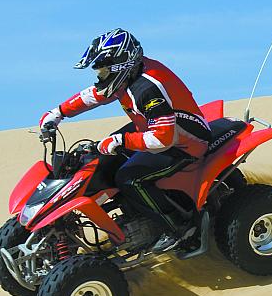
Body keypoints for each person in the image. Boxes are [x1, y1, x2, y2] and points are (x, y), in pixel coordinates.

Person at [39, 28, 211, 253]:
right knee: (99, 159)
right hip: (152, 127)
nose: (100, 76)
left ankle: (179, 229)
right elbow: (93, 95)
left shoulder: (147, 89)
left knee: (129, 178)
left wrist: (122, 141)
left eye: (103, 70)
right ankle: (134, 215)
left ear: (120, 66)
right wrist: (58, 113)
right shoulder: (127, 76)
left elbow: (163, 139)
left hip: (186, 142)